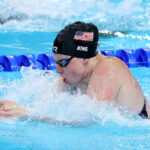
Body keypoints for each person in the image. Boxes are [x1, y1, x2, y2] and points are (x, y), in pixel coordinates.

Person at [0, 21, 150, 120]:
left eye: (63, 62)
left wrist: (28, 116)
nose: (58, 70)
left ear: (84, 58)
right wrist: (14, 110)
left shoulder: (109, 69)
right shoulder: (72, 77)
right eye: (56, 62)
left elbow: (88, 122)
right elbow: (41, 105)